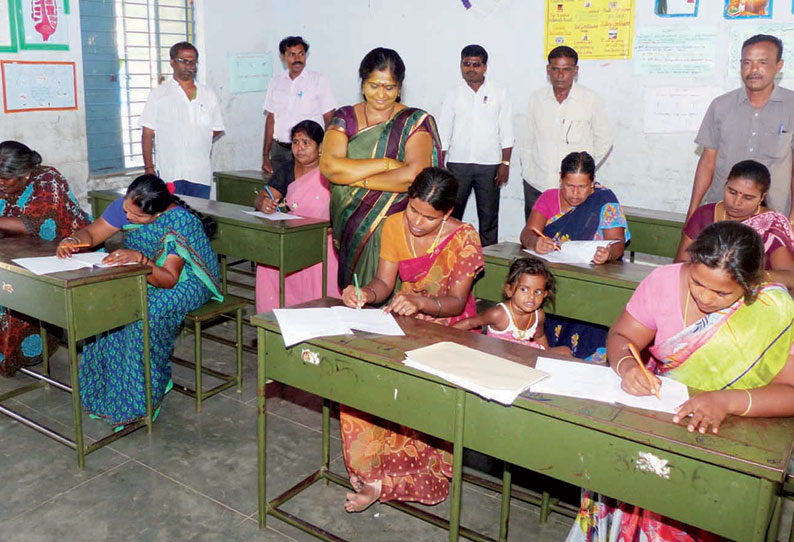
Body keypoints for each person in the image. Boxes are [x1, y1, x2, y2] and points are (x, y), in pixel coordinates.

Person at [568, 221, 794, 542]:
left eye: (722, 292)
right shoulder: (664, 281)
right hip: (663, 413)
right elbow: (622, 335)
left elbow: (790, 392)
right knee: (616, 467)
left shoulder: (773, 309)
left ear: (751, 285)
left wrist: (726, 401)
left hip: (736, 434)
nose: (704, 296)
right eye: (698, 282)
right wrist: (627, 364)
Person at [338, 167, 484, 512]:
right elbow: (385, 284)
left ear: (448, 212)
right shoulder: (393, 224)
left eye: (429, 217)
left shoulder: (464, 237)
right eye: (413, 211)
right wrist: (365, 293)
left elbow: (457, 303)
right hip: (404, 322)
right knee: (362, 380)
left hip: (451, 329)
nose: (417, 222)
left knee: (415, 394)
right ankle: (370, 475)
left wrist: (420, 302)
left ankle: (399, 480)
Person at [56, 175, 222, 427]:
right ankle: (109, 390)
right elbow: (93, 232)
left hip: (185, 279)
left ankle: (146, 391)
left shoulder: (179, 222)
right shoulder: (129, 205)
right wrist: (74, 241)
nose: (128, 217)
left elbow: (168, 280)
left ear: (157, 215)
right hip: (142, 268)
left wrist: (141, 260)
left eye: (136, 217)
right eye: (125, 210)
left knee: (144, 316)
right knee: (109, 309)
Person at [320, 47, 441, 290]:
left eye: (389, 87)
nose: (381, 94)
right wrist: (385, 165)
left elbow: (413, 177)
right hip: (350, 224)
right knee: (354, 296)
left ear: (399, 89)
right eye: (374, 85)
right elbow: (330, 166)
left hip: (395, 227)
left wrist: (355, 178)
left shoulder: (415, 121)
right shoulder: (344, 117)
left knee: (392, 300)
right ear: (363, 84)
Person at [519, 151, 629, 362]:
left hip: (595, 279)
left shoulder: (604, 200)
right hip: (555, 281)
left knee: (595, 321)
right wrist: (536, 242)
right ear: (561, 178)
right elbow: (527, 233)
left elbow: (617, 243)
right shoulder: (549, 198)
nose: (576, 194)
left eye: (583, 187)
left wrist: (608, 253)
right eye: (570, 186)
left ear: (593, 183)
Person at [0, 141, 92, 376]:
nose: (0, 183)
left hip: (67, 250)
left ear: (26, 173)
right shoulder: (3, 181)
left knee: (16, 289)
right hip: (22, 249)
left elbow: (41, 225)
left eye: (5, 179)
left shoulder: (48, 180)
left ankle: (21, 351)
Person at [686, 34, 794, 221]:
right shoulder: (721, 106)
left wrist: (792, 220)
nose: (754, 70)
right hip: (722, 214)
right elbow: (707, 162)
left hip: (773, 217)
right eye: (747, 62)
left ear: (779, 66)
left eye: (763, 63)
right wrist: (693, 209)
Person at [254, 120, 342, 312]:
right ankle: (273, 320)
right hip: (294, 235)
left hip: (323, 238)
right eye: (295, 142)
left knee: (321, 262)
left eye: (305, 143)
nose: (299, 148)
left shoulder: (332, 171)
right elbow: (265, 195)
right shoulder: (287, 169)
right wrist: (264, 203)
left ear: (320, 147)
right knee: (268, 263)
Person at [520, 46, 612, 220]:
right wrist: (528, 172)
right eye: (555, 69)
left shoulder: (590, 100)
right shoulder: (537, 99)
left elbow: (605, 140)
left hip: (574, 190)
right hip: (537, 184)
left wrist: (582, 171)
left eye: (566, 70)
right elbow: (527, 140)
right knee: (534, 239)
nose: (560, 75)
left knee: (571, 239)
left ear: (575, 71)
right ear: (548, 70)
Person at [439, 44, 514, 246]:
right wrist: (440, 164)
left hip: (489, 165)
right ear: (461, 65)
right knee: (451, 217)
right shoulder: (452, 93)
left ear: (485, 67)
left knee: (489, 219)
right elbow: (443, 132)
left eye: (476, 65)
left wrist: (505, 163)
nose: (471, 68)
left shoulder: (499, 92)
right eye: (467, 64)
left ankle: (490, 261)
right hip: (457, 165)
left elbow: (506, 131)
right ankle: (449, 256)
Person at [676, 159, 794, 287]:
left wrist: (755, 276)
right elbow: (680, 263)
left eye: (748, 197)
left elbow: (790, 276)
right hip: (702, 288)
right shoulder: (704, 215)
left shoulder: (770, 224)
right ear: (725, 183)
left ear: (762, 197)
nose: (736, 202)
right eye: (732, 192)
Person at [140, 41, 225, 199]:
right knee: (172, 217)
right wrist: (149, 168)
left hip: (200, 173)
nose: (188, 66)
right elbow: (147, 133)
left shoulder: (208, 95)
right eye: (183, 61)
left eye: (192, 62)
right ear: (172, 62)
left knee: (197, 218)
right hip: (170, 173)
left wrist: (195, 137)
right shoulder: (159, 95)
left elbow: (217, 128)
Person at [453, 257, 570, 356]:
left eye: (538, 292)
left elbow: (540, 336)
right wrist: (444, 335)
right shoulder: (499, 314)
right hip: (500, 356)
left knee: (565, 351)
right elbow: (470, 323)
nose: (531, 297)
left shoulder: (538, 315)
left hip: (525, 355)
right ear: (509, 290)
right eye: (524, 289)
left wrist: (547, 355)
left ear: (545, 294)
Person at [262, 36, 336, 175]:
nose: (297, 59)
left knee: (306, 192)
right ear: (283, 57)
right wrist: (265, 156)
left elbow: (329, 118)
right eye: (292, 54)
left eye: (301, 54)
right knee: (280, 192)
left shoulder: (319, 81)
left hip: (309, 151)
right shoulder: (275, 82)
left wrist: (327, 152)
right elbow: (271, 119)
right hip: (279, 151)